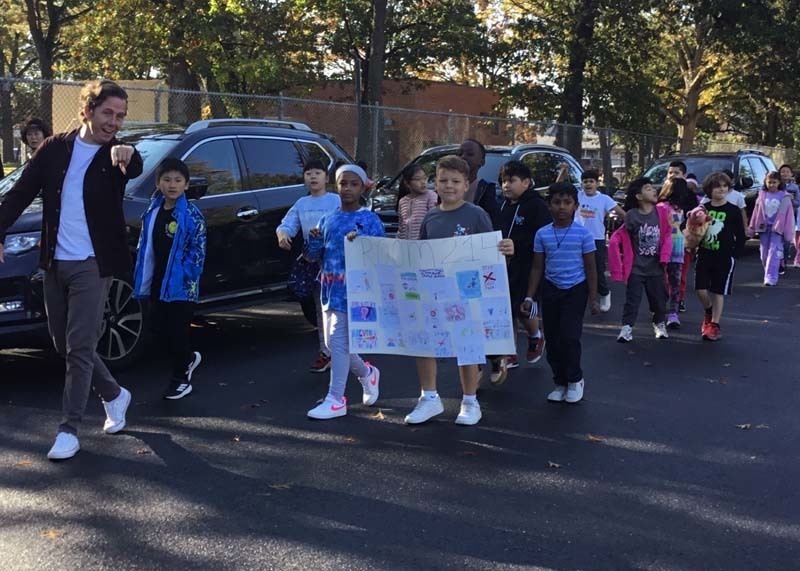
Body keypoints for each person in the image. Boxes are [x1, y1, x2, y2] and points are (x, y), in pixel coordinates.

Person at [0, 80, 142, 460]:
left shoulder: (117, 155)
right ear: (87, 110)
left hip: (94, 264)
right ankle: (114, 393)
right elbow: (20, 194)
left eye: (120, 116)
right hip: (54, 262)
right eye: (107, 113)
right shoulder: (53, 149)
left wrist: (128, 152)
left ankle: (69, 429)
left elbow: (134, 163)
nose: (114, 122)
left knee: (80, 347)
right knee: (64, 345)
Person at [403, 155, 514, 426]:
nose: (448, 186)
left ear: (466, 185)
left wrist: (507, 251)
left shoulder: (476, 215)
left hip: (467, 294)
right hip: (434, 294)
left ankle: (469, 401)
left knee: (468, 347)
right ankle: (429, 398)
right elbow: (420, 255)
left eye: (455, 181)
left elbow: (493, 256)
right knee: (425, 343)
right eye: (443, 180)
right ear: (435, 184)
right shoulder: (430, 217)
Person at [304, 164, 383, 420]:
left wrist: (361, 241)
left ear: (362, 187)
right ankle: (367, 373)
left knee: (337, 342)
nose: (347, 189)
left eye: (353, 184)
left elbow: (381, 254)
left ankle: (336, 399)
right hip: (329, 287)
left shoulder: (370, 219)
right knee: (332, 343)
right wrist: (314, 239)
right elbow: (312, 256)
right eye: (342, 184)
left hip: (356, 291)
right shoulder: (328, 219)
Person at [132, 158, 206, 399]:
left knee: (178, 330)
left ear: (186, 185)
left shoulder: (191, 215)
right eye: (167, 180)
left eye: (178, 180)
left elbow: (197, 251)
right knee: (159, 330)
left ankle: (181, 378)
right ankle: (188, 359)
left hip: (181, 286)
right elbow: (146, 246)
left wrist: (184, 275)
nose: (172, 185)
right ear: (158, 183)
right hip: (156, 282)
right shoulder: (152, 211)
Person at [521, 182, 599, 404]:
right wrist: (529, 296)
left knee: (569, 336)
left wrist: (593, 298)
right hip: (551, 288)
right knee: (553, 339)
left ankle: (575, 380)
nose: (561, 207)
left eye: (567, 203)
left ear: (575, 205)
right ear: (549, 205)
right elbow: (537, 267)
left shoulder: (583, 234)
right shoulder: (542, 234)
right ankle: (560, 382)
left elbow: (591, 267)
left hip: (575, 289)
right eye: (556, 202)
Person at [277, 159, 341, 373]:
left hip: (338, 262)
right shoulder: (301, 204)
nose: (313, 177)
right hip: (314, 264)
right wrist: (283, 235)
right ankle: (326, 352)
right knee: (321, 309)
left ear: (326, 177)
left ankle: (347, 352)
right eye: (308, 174)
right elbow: (287, 224)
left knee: (340, 309)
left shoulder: (336, 200)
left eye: (317, 173)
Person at [498, 160, 551, 369]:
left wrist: (517, 245)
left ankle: (535, 335)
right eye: (503, 181)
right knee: (505, 309)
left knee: (522, 307)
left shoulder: (535, 205)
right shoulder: (502, 205)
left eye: (511, 181)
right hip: (504, 265)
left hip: (528, 266)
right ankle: (509, 352)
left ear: (526, 182)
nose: (506, 186)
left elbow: (542, 235)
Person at [609, 177, 672, 343]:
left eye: (653, 188)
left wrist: (665, 255)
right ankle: (626, 328)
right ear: (638, 196)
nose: (653, 190)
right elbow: (622, 234)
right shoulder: (632, 216)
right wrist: (616, 243)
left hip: (656, 268)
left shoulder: (661, 213)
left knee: (659, 300)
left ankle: (659, 323)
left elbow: (667, 234)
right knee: (632, 301)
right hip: (636, 268)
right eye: (648, 188)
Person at [695, 172, 746, 341]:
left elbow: (740, 234)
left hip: (724, 257)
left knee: (718, 290)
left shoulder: (733, 210)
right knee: (700, 290)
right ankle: (708, 310)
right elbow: (690, 226)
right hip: (704, 253)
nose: (721, 189)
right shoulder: (704, 208)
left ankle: (714, 325)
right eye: (718, 186)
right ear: (709, 189)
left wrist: (735, 254)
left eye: (725, 186)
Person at [574, 169, 625, 313]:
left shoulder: (604, 199)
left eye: (591, 181)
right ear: (581, 184)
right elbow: (557, 189)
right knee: (579, 268)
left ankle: (604, 293)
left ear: (597, 183)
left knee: (597, 269)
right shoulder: (578, 196)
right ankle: (584, 298)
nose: (588, 184)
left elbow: (621, 213)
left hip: (596, 239)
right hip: (578, 238)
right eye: (585, 182)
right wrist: (563, 172)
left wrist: (633, 223)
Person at [748, 171, 795, 286]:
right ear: (765, 182)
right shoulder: (762, 195)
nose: (772, 185)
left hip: (778, 229)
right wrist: (752, 227)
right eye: (769, 182)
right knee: (764, 253)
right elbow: (756, 213)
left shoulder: (784, 197)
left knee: (773, 251)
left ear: (779, 182)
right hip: (763, 228)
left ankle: (770, 277)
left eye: (774, 182)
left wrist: (789, 232)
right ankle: (777, 265)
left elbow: (789, 217)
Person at [657, 178, 690, 328]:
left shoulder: (679, 208)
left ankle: (673, 312)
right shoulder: (661, 207)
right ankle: (660, 309)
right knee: (662, 281)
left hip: (677, 246)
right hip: (663, 246)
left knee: (675, 281)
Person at [397, 163, 437, 240]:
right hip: (406, 246)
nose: (423, 182)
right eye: (418, 179)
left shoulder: (431, 196)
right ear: (407, 183)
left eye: (425, 178)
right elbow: (401, 227)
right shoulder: (402, 201)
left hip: (423, 245)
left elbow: (433, 222)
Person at [778, 164, 798, 270]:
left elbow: (798, 203)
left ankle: (784, 261)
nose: (785, 173)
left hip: (789, 217)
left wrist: (791, 200)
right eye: (782, 171)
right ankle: (776, 261)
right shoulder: (776, 185)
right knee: (777, 241)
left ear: (791, 174)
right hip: (777, 218)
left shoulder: (794, 188)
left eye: (787, 171)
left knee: (786, 241)